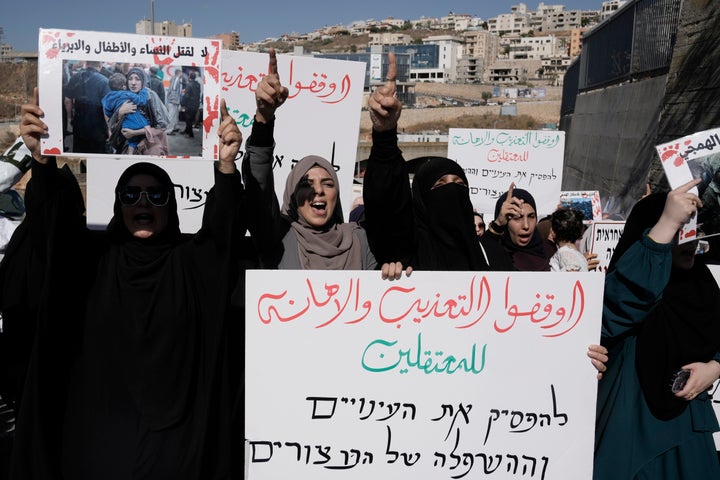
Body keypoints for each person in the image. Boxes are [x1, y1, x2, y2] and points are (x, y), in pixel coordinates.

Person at [0, 88, 245, 479]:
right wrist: (43, 162)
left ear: (171, 204)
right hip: (95, 444)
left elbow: (223, 233)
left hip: (175, 447)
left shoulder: (190, 264)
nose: (143, 203)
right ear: (119, 205)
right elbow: (53, 226)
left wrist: (227, 168)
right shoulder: (90, 261)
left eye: (156, 194)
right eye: (131, 194)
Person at [594, 179, 720, 479]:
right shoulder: (632, 280)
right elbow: (621, 303)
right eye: (680, 231)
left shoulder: (700, 284)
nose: (689, 240)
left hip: (690, 436)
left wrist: (714, 367)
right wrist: (665, 224)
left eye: (692, 230)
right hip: (635, 430)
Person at [363, 53, 512, 276]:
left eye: (459, 183)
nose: (451, 189)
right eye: (440, 184)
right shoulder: (410, 255)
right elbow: (386, 200)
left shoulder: (493, 256)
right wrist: (384, 136)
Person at [242, 49, 377, 270]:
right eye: (306, 184)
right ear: (293, 198)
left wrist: (392, 275)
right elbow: (259, 186)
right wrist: (264, 120)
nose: (318, 191)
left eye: (327, 183)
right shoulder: (279, 238)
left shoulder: (359, 241)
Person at [484, 183, 556, 271]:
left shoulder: (551, 251)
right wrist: (498, 224)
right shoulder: (495, 254)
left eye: (531, 216)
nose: (526, 225)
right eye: (517, 218)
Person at [108, 67, 170, 155]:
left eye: (137, 79)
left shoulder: (150, 96)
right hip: (127, 144)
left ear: (143, 81)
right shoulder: (124, 95)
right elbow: (112, 125)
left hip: (150, 144)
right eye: (130, 79)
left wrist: (135, 133)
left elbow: (163, 125)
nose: (133, 83)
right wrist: (120, 113)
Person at [64, 60, 110, 153]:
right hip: (98, 126)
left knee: (79, 154)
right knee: (98, 155)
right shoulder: (105, 81)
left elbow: (67, 101)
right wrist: (109, 128)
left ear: (86, 64)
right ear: (100, 65)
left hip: (79, 122)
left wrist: (69, 119)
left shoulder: (75, 77)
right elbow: (107, 107)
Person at [102, 73, 150, 154]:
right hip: (137, 123)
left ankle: (130, 152)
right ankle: (131, 151)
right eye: (130, 79)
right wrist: (144, 91)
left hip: (124, 126)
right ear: (124, 86)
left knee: (131, 140)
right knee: (145, 127)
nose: (133, 83)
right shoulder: (127, 94)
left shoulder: (106, 98)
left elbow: (108, 113)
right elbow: (141, 100)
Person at [181, 71, 201, 139]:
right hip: (196, 104)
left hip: (189, 104)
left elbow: (186, 95)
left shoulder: (189, 85)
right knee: (191, 118)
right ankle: (186, 131)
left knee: (188, 119)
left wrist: (182, 103)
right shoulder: (198, 84)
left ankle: (190, 134)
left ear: (189, 77)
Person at [166, 69, 184, 135]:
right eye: (181, 72)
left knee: (175, 115)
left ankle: (174, 127)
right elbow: (173, 89)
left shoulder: (175, 78)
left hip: (174, 101)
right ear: (179, 73)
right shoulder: (176, 79)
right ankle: (168, 130)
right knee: (171, 115)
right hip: (173, 101)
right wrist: (173, 99)